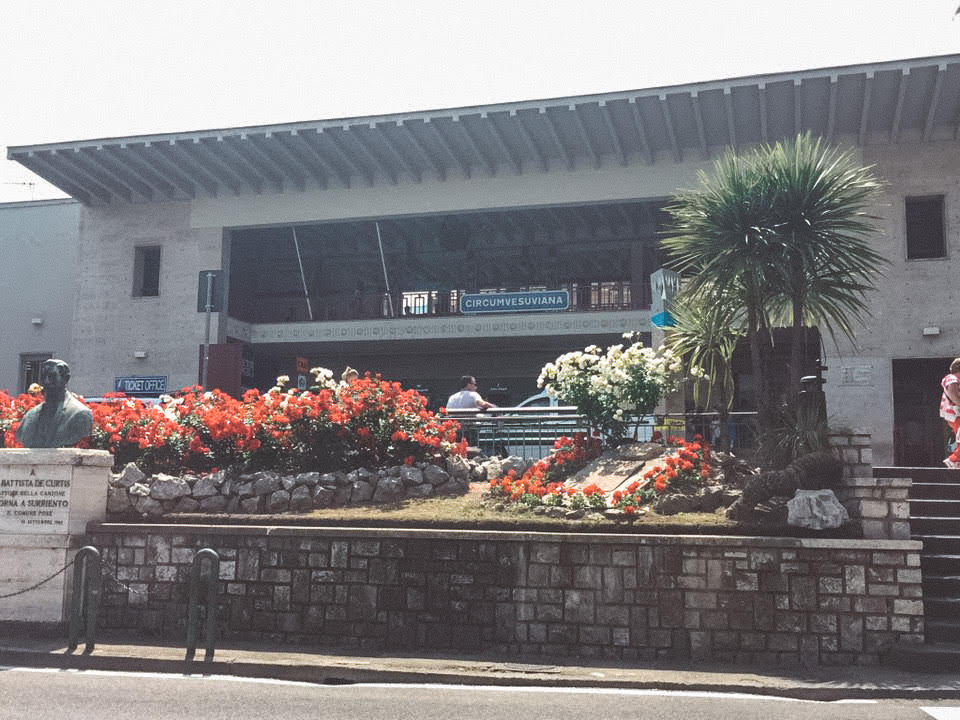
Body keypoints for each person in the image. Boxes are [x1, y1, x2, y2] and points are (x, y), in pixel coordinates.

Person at [15, 359, 93, 448]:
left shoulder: (80, 414)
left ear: (66, 379)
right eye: (43, 377)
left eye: (52, 377)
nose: (46, 382)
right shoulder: (30, 416)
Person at [940, 358, 960, 468]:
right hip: (955, 414)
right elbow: (953, 394)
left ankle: (956, 461)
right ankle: (953, 460)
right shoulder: (951, 378)